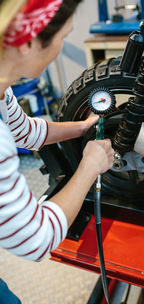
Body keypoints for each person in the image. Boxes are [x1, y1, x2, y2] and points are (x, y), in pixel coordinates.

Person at [0, 0, 114, 302]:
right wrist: (90, 166)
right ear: (28, 41)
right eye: (62, 37)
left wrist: (80, 127)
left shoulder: (2, 86)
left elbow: (23, 131)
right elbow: (34, 239)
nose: (61, 47)